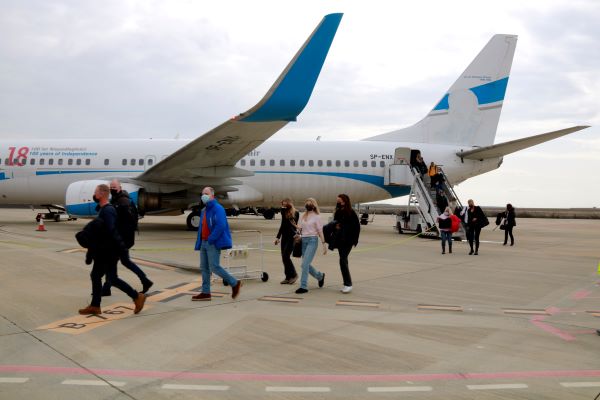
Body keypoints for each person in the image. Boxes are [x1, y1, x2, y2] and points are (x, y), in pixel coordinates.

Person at [78, 184, 146, 315]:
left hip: (107, 252)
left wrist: (120, 249)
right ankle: (96, 305)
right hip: (107, 251)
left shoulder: (108, 211)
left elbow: (112, 231)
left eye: (95, 192)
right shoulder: (104, 209)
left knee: (99, 276)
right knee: (110, 278)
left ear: (102, 194)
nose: (94, 195)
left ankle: (97, 305)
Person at [101, 179, 153, 296]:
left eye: (114, 187)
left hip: (123, 240)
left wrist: (121, 240)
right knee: (122, 262)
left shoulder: (123, 202)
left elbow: (128, 224)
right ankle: (144, 281)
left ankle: (108, 288)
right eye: (111, 188)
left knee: (113, 263)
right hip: (120, 240)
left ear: (119, 187)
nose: (112, 189)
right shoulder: (117, 201)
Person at [192, 187, 242, 301]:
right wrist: (200, 242)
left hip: (212, 243)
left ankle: (234, 283)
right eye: (202, 193)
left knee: (214, 267)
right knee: (204, 268)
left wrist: (211, 239)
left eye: (206, 193)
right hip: (204, 242)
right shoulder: (204, 210)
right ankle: (205, 292)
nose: (203, 195)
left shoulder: (218, 208)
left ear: (212, 196)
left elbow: (221, 226)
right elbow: (202, 228)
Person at [295, 198, 327, 294]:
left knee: (305, 264)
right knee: (304, 264)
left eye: (310, 203)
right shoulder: (303, 216)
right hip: (303, 240)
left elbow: (320, 231)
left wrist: (324, 244)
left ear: (314, 205)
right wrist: (296, 230)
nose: (308, 205)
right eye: (307, 203)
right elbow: (299, 228)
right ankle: (320, 276)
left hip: (312, 241)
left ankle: (303, 286)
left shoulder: (317, 217)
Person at [332, 194, 360, 294]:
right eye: (337, 201)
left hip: (348, 240)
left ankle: (348, 284)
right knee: (343, 261)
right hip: (340, 240)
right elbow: (335, 224)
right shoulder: (338, 212)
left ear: (344, 201)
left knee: (342, 261)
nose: (338, 202)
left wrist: (355, 240)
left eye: (339, 200)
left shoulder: (351, 212)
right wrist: (336, 227)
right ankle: (346, 284)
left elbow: (357, 227)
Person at [274, 198, 299, 284]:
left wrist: (295, 235)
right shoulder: (283, 212)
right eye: (282, 203)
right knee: (284, 257)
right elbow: (282, 225)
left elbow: (292, 225)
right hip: (284, 237)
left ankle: (294, 274)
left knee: (286, 256)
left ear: (289, 203)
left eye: (284, 203)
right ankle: (288, 277)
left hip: (292, 237)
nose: (283, 205)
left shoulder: (296, 213)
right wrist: (278, 237)